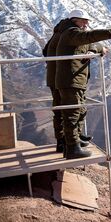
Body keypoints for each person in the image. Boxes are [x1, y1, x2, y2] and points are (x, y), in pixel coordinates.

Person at [55, 9, 111, 159]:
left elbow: (90, 44)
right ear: (75, 20)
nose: (86, 24)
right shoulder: (71, 33)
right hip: (70, 80)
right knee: (72, 114)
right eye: (84, 21)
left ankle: (75, 142)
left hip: (75, 80)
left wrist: (99, 49)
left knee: (78, 111)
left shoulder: (73, 35)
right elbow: (87, 37)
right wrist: (109, 33)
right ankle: (72, 148)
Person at [42, 16, 73, 153]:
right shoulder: (67, 35)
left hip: (52, 78)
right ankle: (66, 141)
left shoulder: (56, 35)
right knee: (67, 110)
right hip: (60, 79)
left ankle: (61, 141)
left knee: (59, 111)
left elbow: (45, 51)